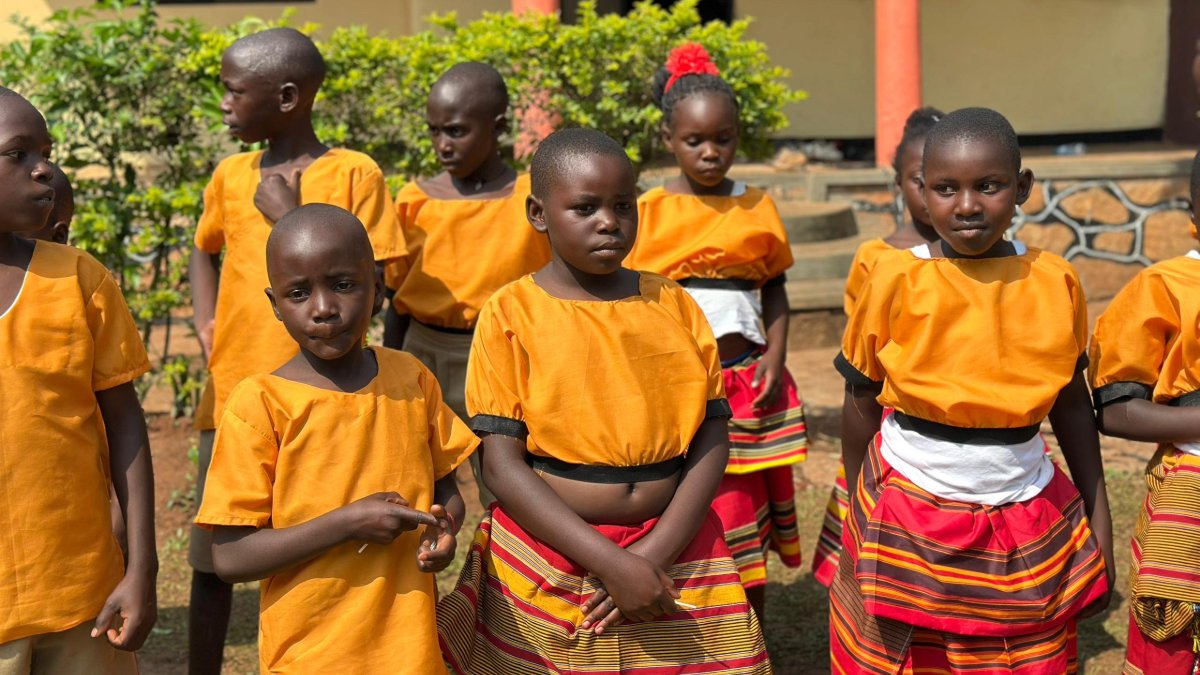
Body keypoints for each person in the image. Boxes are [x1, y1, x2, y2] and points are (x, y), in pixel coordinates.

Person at [436, 128, 770, 674]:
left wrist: (650, 557)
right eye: (585, 208)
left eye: (622, 205)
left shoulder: (673, 304)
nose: (609, 222)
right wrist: (610, 562)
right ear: (539, 214)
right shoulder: (511, 312)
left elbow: (712, 436)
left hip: (674, 543)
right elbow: (500, 464)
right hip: (554, 551)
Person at [831, 107, 1113, 673]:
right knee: (906, 649)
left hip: (1024, 496)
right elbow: (861, 402)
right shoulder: (893, 277)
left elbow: (1072, 407)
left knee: (1018, 648)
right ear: (921, 190)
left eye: (988, 186)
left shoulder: (1054, 280)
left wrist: (1098, 517)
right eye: (945, 188)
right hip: (908, 500)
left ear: (1023, 188)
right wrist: (859, 510)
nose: (966, 206)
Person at [187, 27, 403, 675]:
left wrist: (291, 212)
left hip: (328, 400)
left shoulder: (353, 173)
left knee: (328, 544)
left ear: (286, 96)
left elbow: (379, 274)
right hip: (232, 395)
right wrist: (206, 319)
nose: (224, 104)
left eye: (233, 92)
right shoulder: (230, 175)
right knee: (212, 560)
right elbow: (205, 247)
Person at [194, 204, 476, 674]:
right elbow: (230, 556)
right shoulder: (261, 405)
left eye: (343, 285)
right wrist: (346, 524)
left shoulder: (411, 380)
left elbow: (447, 490)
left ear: (378, 289)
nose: (324, 308)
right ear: (275, 305)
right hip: (310, 653)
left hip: (409, 650)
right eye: (299, 293)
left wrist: (443, 531)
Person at [625, 42, 805, 619]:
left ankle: (748, 615)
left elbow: (774, 287)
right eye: (694, 142)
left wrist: (775, 353)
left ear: (737, 136)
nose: (709, 153)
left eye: (722, 140)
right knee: (690, 496)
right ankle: (694, 612)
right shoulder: (648, 210)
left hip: (746, 376)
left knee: (741, 498)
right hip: (674, 385)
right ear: (668, 139)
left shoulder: (756, 206)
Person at [0, 87, 157, 673]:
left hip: (81, 598)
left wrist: (142, 568)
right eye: (19, 154)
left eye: (47, 150)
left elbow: (125, 424)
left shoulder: (78, 279)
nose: (46, 169)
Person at [383, 61, 550, 507]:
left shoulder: (532, 200)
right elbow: (396, 299)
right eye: (434, 131)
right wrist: (391, 366)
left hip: (505, 355)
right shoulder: (414, 201)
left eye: (455, 131)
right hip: (425, 353)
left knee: (509, 482)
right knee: (414, 477)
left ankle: (511, 571)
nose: (442, 145)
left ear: (497, 127)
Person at [811, 106, 943, 588]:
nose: (932, 194)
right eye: (918, 181)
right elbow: (862, 361)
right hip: (885, 421)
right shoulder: (878, 259)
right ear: (898, 182)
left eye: (944, 180)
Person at [1090, 150, 1200, 673]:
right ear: (1193, 210)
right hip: (1190, 500)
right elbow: (1115, 410)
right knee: (1174, 641)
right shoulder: (1165, 288)